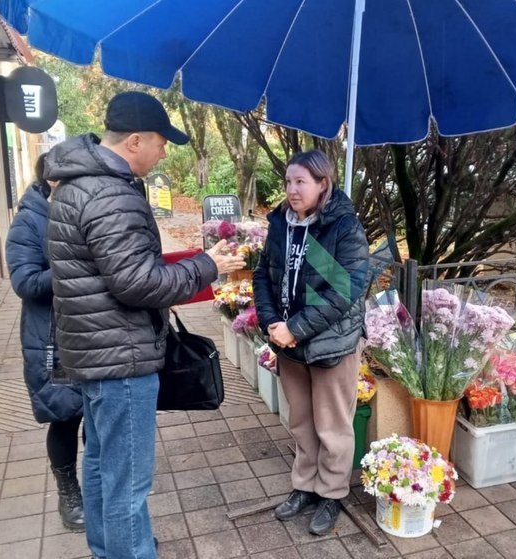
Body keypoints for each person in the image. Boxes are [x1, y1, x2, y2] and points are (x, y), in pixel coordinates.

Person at [44, 91, 246, 559]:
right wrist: (206, 265)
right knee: (127, 485)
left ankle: (106, 550)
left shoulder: (76, 183)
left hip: (94, 352)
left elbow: (112, 270)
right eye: (160, 143)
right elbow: (137, 283)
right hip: (121, 358)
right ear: (135, 140)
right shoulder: (110, 192)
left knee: (99, 467)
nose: (163, 153)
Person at [253, 150, 370, 536]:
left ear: (323, 184)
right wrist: (272, 321)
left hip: (331, 344)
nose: (291, 189)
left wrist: (296, 328)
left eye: (300, 181)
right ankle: (305, 487)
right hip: (289, 344)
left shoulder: (341, 227)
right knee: (301, 420)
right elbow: (263, 277)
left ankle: (332, 494)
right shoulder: (281, 225)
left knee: (333, 425)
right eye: (288, 182)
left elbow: (343, 292)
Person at [5, 153, 85, 532]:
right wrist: (74, 266)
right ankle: (68, 490)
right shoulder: (28, 221)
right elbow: (25, 283)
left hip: (93, 332)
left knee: (99, 413)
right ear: (53, 181)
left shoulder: (79, 212)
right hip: (55, 339)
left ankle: (100, 487)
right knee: (66, 415)